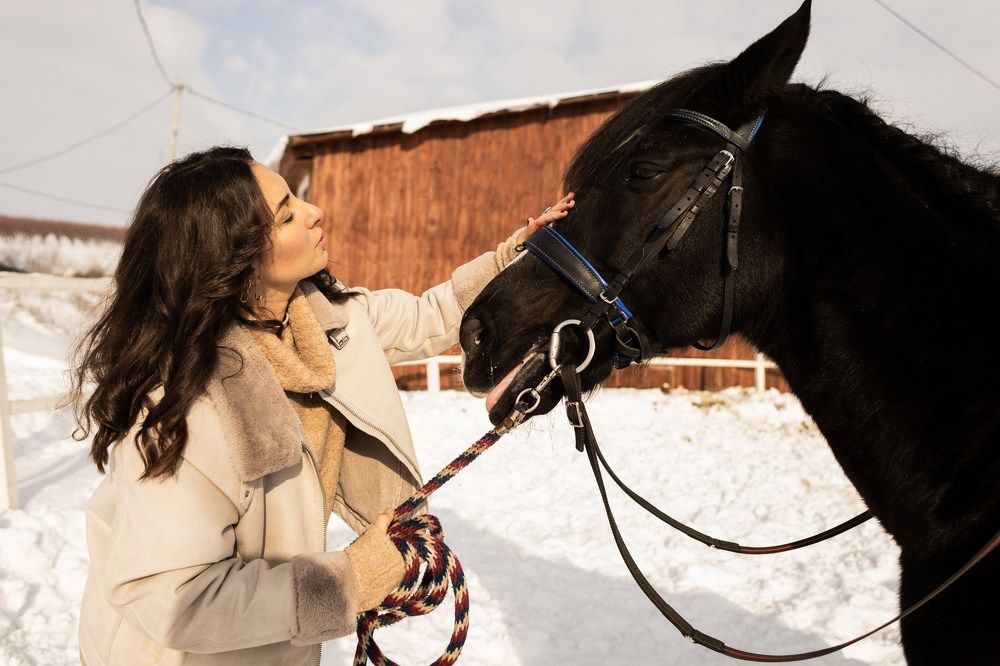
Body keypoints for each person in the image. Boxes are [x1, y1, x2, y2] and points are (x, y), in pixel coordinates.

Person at [71, 146, 574, 664]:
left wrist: (514, 258)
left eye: (296, 198)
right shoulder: (184, 406)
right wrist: (347, 582)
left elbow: (431, 313)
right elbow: (172, 597)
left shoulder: (327, 322)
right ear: (234, 257)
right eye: (286, 215)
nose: (314, 212)